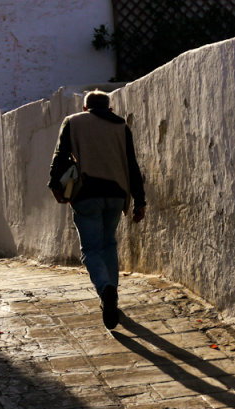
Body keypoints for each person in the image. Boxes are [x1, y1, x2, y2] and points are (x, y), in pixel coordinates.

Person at [48, 90, 146, 329]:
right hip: (116, 195)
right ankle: (111, 295)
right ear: (109, 109)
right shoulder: (121, 126)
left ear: (85, 109)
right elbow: (132, 165)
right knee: (108, 244)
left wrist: (55, 186)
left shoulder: (73, 122)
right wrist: (140, 201)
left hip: (86, 193)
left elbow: (60, 157)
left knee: (91, 249)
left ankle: (106, 290)